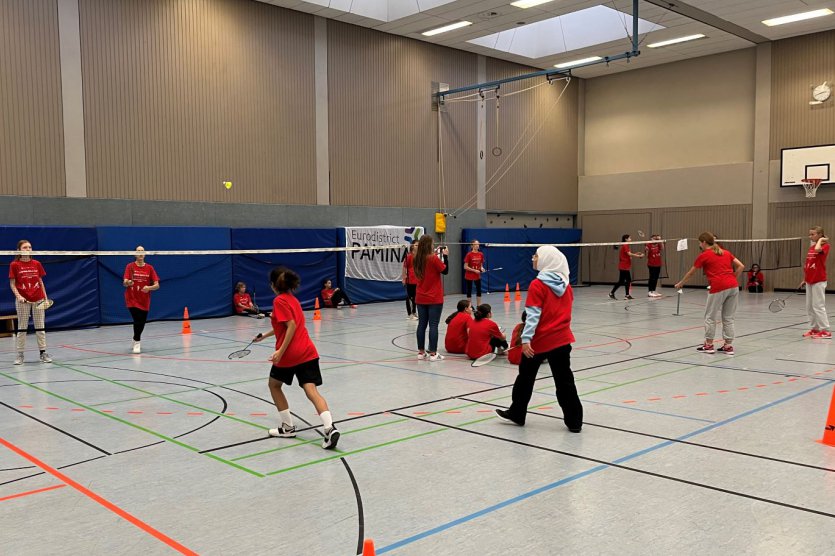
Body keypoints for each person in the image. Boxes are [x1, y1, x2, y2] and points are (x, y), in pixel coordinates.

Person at [495, 246, 583, 433]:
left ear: (547, 260)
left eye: (536, 255)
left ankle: (517, 413)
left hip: (539, 342)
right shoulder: (566, 286)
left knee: (525, 379)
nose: (533, 258)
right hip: (562, 340)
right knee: (565, 381)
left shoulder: (537, 285)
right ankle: (575, 421)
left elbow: (533, 315)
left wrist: (525, 340)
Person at [253, 266, 340, 449]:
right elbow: (284, 325)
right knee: (311, 390)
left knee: (274, 385)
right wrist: (265, 336)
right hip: (308, 351)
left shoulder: (278, 301)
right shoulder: (293, 300)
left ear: (273, 285)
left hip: (290, 354)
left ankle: (287, 427)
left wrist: (280, 352)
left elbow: (291, 326)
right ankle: (329, 428)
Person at [675, 232, 744, 355]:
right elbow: (741, 266)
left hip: (718, 287)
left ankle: (709, 345)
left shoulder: (704, 255)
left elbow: (691, 273)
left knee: (710, 317)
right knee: (728, 318)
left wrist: (681, 283)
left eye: (699, 243)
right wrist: (732, 278)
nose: (699, 245)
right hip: (733, 286)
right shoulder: (725, 252)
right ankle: (728, 346)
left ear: (704, 242)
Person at [8, 239, 51, 365]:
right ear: (19, 250)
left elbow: (40, 281)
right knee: (22, 327)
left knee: (40, 327)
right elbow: (12, 284)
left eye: (30, 247)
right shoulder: (14, 265)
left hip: (38, 298)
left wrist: (46, 297)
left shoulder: (37, 263)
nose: (28, 249)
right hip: (23, 301)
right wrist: (19, 296)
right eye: (25, 247)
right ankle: (20, 355)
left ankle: (43, 353)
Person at [414, 235, 448, 361]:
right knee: (433, 325)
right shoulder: (433, 259)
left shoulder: (416, 258)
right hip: (434, 297)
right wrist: (445, 256)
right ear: (429, 244)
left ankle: (421, 352)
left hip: (421, 297)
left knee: (421, 324)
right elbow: (445, 271)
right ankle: (433, 353)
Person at [123, 246, 160, 354]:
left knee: (142, 322)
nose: (140, 253)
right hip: (132, 298)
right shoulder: (129, 266)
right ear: (135, 254)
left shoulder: (150, 268)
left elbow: (157, 285)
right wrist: (128, 283)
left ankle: (135, 338)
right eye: (138, 251)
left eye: (142, 251)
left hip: (144, 299)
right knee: (137, 319)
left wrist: (149, 288)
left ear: (144, 254)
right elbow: (124, 282)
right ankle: (137, 342)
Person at [800, 226, 830, 339]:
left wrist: (822, 241)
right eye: (810, 234)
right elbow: (808, 264)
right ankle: (814, 329)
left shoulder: (826, 246)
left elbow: (818, 250)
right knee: (809, 307)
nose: (810, 236)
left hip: (819, 280)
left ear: (819, 235)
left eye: (813, 234)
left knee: (818, 306)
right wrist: (804, 278)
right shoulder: (811, 248)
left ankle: (825, 330)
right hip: (809, 280)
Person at [609, 234, 644, 300]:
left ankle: (612, 293)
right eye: (630, 238)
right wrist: (638, 256)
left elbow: (628, 255)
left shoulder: (626, 246)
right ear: (626, 239)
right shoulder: (625, 245)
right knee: (627, 280)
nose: (631, 239)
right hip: (623, 266)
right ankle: (626, 295)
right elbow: (629, 254)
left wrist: (636, 254)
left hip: (625, 266)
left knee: (621, 281)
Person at [463, 239, 486, 308]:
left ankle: (478, 305)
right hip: (469, 276)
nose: (477, 245)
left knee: (479, 290)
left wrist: (482, 269)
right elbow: (465, 267)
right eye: (476, 244)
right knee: (469, 291)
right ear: (472, 245)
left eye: (478, 244)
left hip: (477, 276)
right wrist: (474, 270)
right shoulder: (469, 254)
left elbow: (481, 265)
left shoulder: (481, 254)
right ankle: (469, 305)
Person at [402, 240, 418, 320]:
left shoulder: (419, 257)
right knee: (409, 296)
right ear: (412, 246)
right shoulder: (408, 256)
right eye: (416, 245)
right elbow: (404, 267)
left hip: (417, 280)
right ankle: (409, 314)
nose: (417, 246)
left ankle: (414, 312)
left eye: (418, 245)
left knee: (416, 297)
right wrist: (404, 277)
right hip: (410, 280)